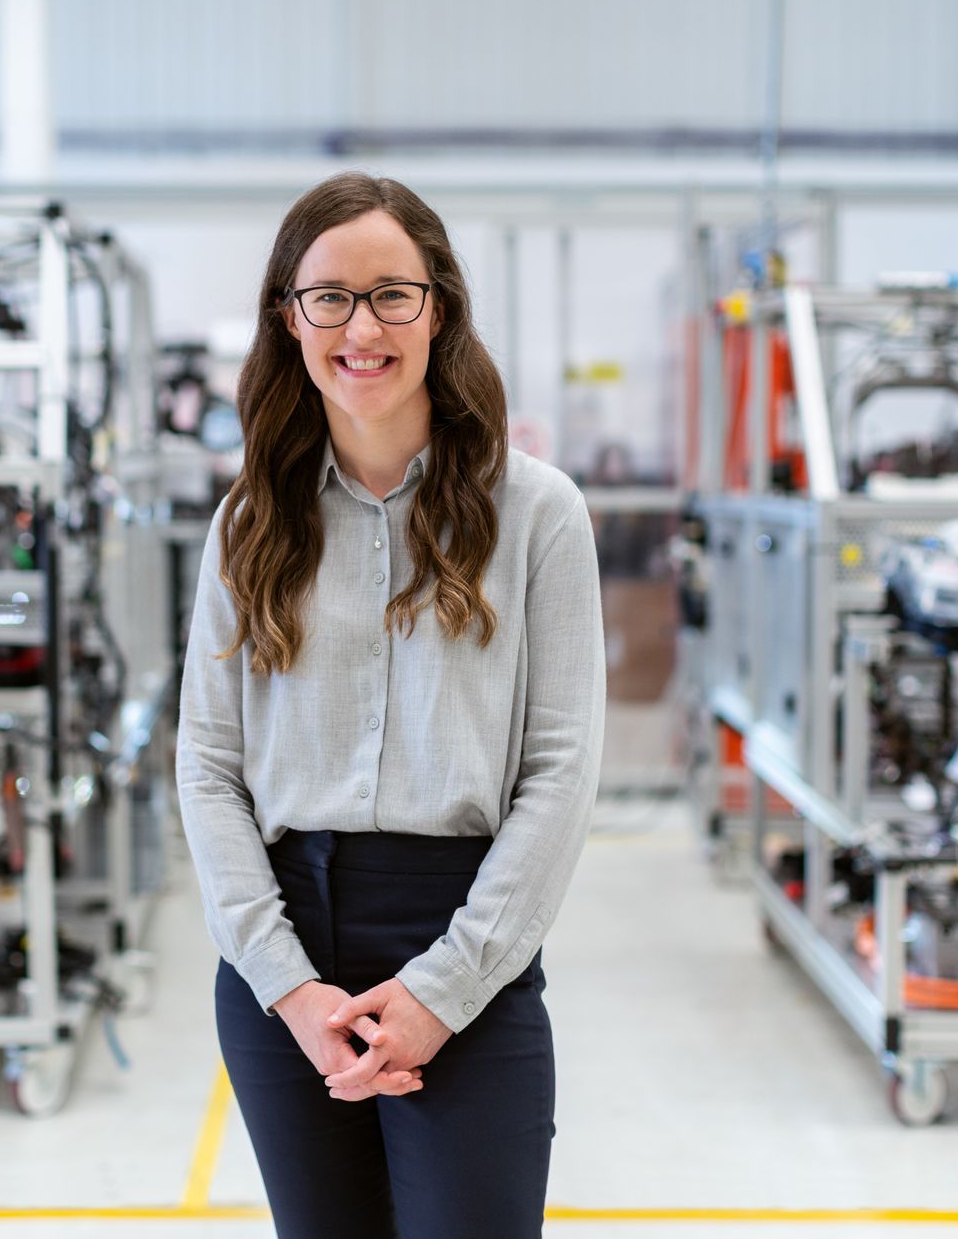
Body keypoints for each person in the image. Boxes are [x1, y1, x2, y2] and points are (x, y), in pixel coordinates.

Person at [176, 171, 606, 1239]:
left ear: (440, 310)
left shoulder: (537, 514)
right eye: (329, 296)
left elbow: (559, 772)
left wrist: (441, 991)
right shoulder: (249, 522)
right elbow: (208, 765)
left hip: (468, 941)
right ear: (291, 318)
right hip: (285, 958)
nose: (360, 327)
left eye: (391, 295)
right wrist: (288, 987)